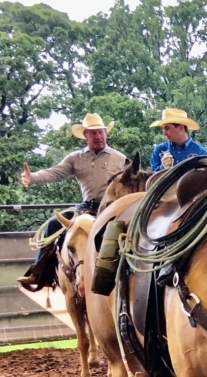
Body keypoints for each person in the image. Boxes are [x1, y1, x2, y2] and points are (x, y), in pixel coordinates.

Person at [17, 113, 126, 291]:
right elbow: (55, 173)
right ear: (86, 136)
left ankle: (131, 274)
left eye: (100, 132)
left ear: (106, 133)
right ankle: (39, 273)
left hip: (110, 208)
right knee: (52, 225)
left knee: (126, 232)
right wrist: (32, 177)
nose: (98, 136)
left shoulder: (120, 158)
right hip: (85, 207)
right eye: (93, 133)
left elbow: (131, 181)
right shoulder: (75, 158)